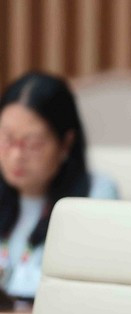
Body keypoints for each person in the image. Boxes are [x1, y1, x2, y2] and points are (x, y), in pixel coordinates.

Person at [0, 71, 119, 299]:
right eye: (6, 139)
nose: (16, 155)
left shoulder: (96, 195)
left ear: (65, 143)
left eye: (32, 144)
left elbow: (86, 282)